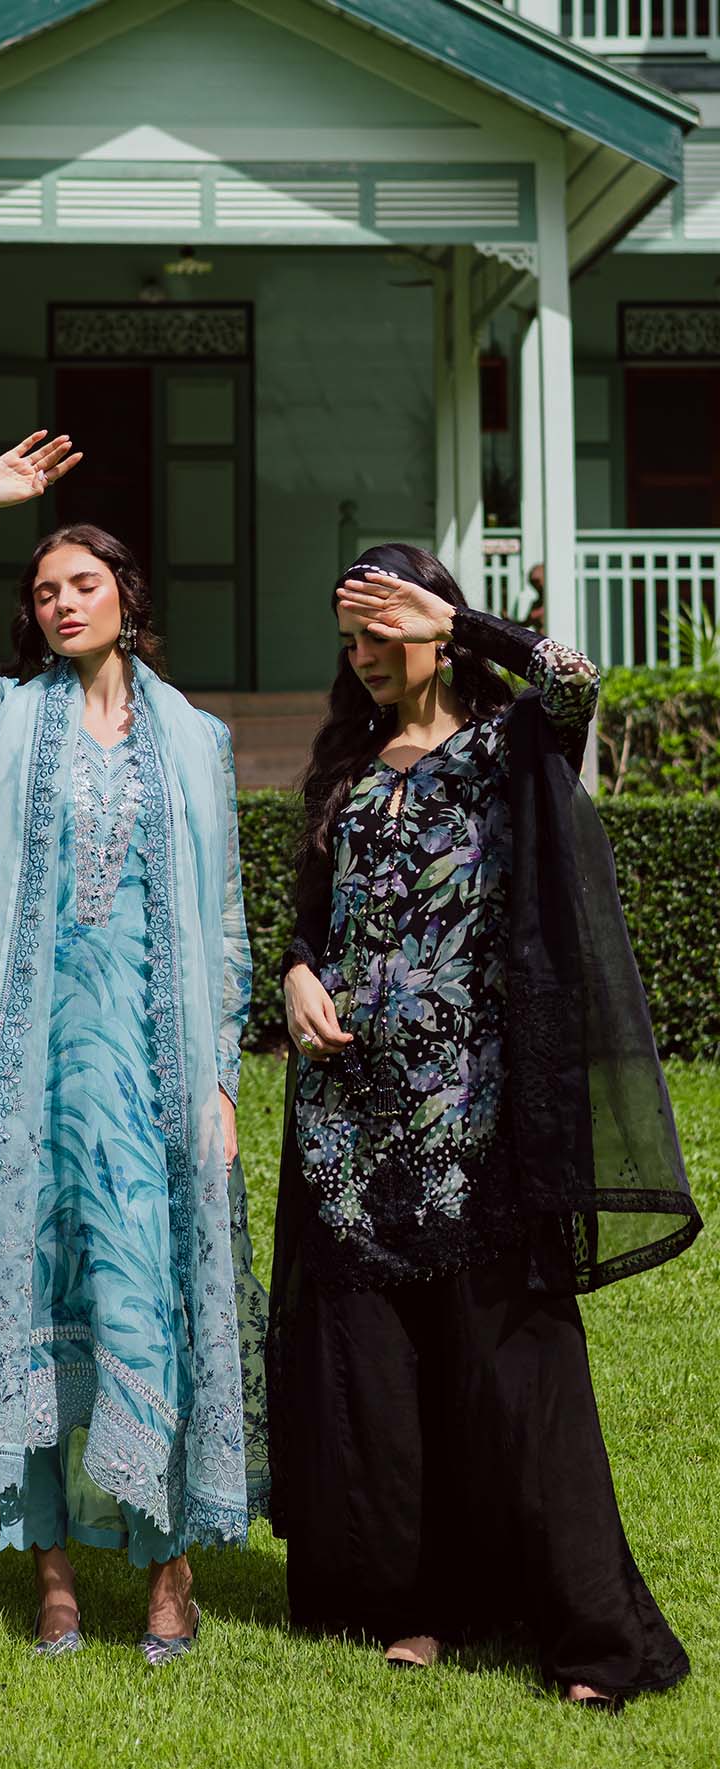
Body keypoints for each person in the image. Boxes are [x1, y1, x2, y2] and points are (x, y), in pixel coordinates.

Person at [268, 546, 700, 1708]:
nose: (362, 657)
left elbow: (575, 679)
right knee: (381, 1375)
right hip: (349, 1123)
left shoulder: (508, 747)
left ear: (435, 629)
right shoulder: (346, 771)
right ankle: (412, 1603)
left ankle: (595, 1639)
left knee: (514, 1370)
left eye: (383, 631)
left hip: (477, 1114)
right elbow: (314, 922)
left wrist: (464, 621)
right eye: (349, 639)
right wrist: (298, 975)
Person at [0, 432, 268, 1663]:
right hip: (20, 1076)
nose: (61, 603)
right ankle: (50, 1570)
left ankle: (167, 1569)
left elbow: (226, 924)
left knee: (144, 1295)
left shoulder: (197, 741)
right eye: (44, 590)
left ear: (125, 597)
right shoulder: (3, 714)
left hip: (149, 1076)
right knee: (36, 1302)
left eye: (83, 584)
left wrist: (220, 1078)